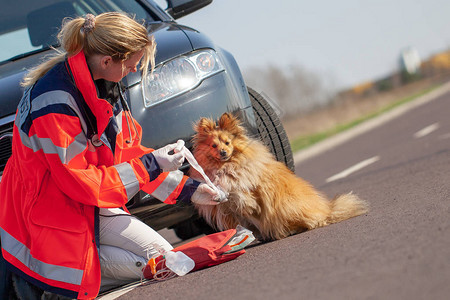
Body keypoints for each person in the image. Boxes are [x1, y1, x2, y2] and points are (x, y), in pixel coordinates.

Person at [0, 12, 222, 299]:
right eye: (132, 65)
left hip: (84, 205)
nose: (134, 71)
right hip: (45, 218)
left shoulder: (103, 84)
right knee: (161, 261)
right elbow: (81, 181)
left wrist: (188, 189)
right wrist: (152, 164)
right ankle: (49, 284)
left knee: (165, 256)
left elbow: (126, 154)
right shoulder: (54, 102)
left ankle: (75, 273)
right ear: (107, 61)